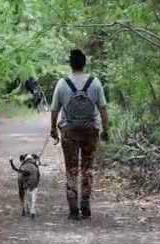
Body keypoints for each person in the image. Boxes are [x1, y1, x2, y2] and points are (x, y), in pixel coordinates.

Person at [50, 49, 109, 220]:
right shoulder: (95, 82)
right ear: (84, 64)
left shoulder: (62, 84)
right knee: (87, 167)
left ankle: (73, 206)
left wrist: (53, 129)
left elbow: (54, 110)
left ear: (70, 64)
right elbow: (103, 108)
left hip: (69, 131)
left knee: (71, 168)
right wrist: (105, 128)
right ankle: (86, 202)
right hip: (91, 130)